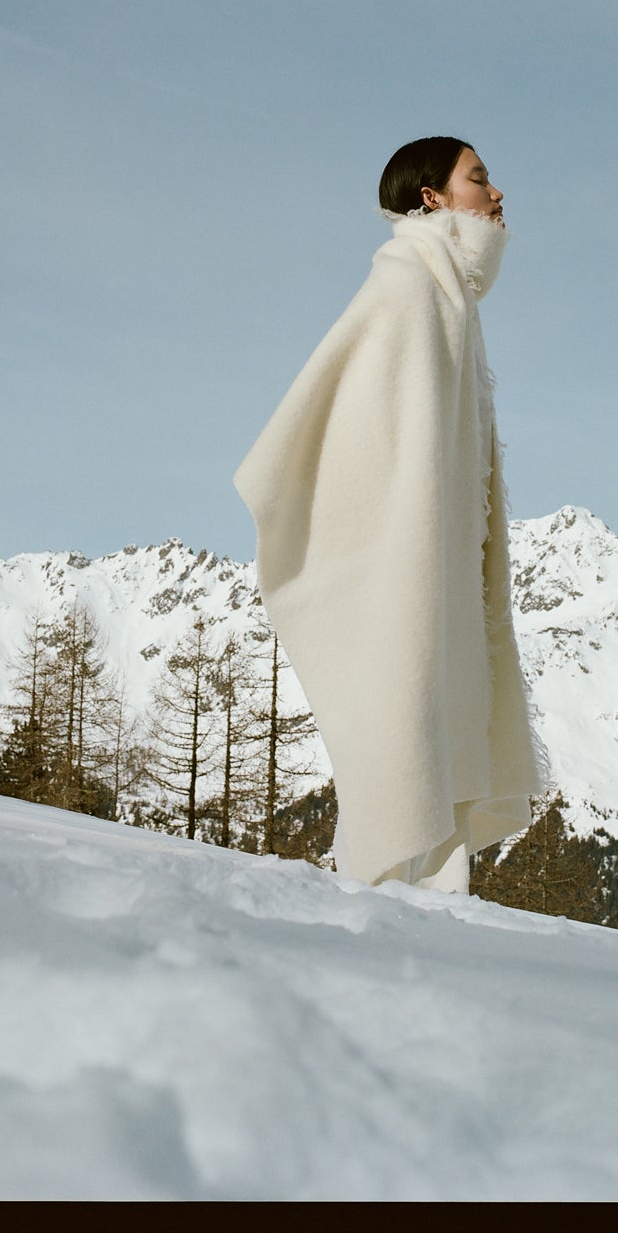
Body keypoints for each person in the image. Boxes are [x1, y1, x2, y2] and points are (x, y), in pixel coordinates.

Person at [233, 136, 548, 892]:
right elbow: (345, 411)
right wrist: (391, 527)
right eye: (479, 179)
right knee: (408, 726)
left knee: (442, 728)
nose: (497, 194)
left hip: (439, 565)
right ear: (433, 197)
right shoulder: (409, 284)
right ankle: (382, 912)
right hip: (405, 562)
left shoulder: (450, 297)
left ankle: (422, 912)